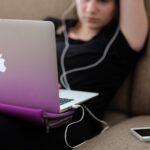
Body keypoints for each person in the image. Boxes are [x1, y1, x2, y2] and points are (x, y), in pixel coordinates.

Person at [0, 0, 149, 149]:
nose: (91, 9)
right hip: (27, 102)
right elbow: (14, 63)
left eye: (103, 1)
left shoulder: (121, 39)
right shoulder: (51, 26)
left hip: (74, 117)